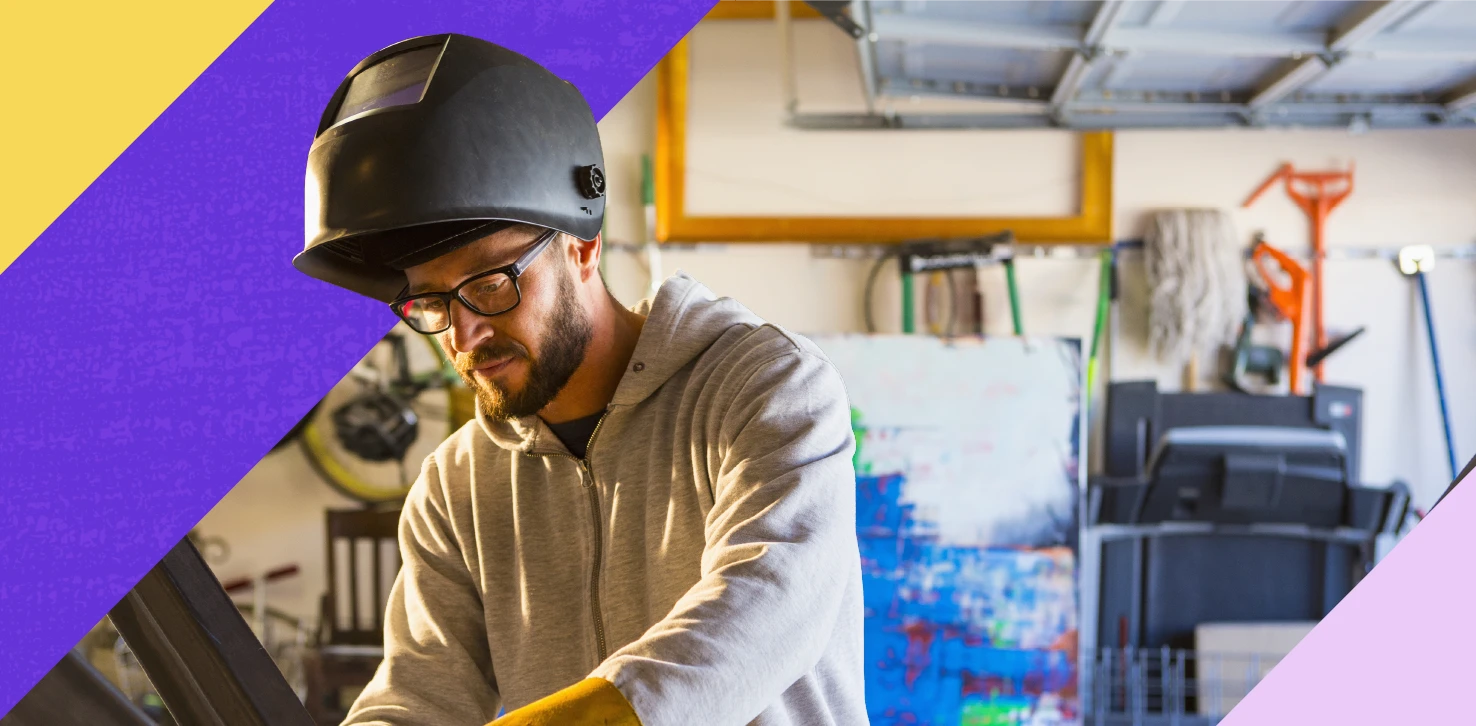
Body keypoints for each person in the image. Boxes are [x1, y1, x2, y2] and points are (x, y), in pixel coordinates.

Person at [293, 34, 867, 726]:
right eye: (434, 304)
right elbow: (419, 696)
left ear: (583, 246)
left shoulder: (765, 388)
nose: (464, 335)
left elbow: (765, 610)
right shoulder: (457, 488)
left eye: (490, 284)